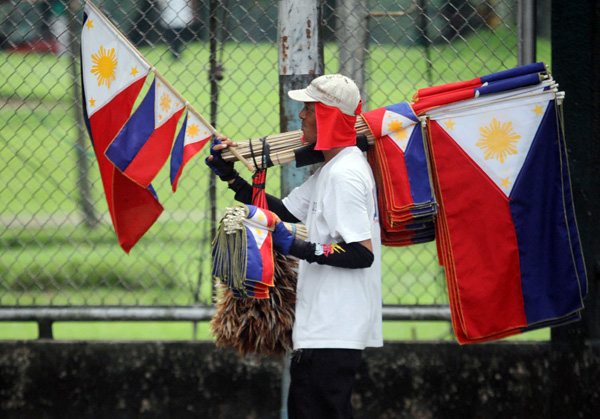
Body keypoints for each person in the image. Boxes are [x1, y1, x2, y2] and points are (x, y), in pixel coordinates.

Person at [206, 74, 382, 418]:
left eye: (308, 108)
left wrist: (296, 246)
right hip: (324, 325)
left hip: (336, 327)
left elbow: (362, 253)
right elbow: (283, 211)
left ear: (329, 116)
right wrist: (231, 177)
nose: (300, 116)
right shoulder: (331, 170)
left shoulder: (344, 175)